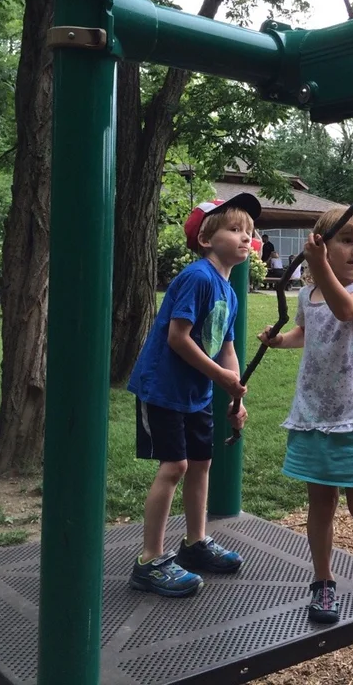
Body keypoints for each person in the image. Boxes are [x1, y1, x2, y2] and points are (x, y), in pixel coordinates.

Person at [257, 206, 353, 624]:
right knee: (319, 507)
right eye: (347, 240)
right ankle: (323, 580)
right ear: (322, 243)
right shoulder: (308, 295)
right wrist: (280, 340)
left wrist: (319, 267)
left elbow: (346, 311)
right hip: (312, 417)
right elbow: (306, 331)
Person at [126, 193, 261, 598]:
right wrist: (220, 376)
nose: (245, 237)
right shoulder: (198, 278)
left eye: (249, 232)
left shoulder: (229, 292)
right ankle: (150, 561)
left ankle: (195, 542)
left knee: (202, 463)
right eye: (234, 229)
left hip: (196, 393)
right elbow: (178, 338)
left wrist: (235, 398)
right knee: (175, 466)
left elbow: (227, 348)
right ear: (205, 239)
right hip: (163, 388)